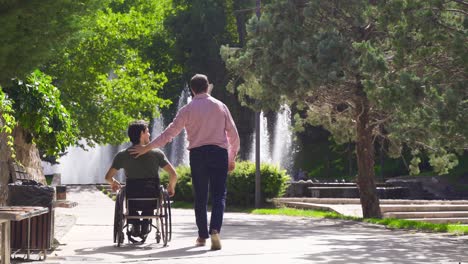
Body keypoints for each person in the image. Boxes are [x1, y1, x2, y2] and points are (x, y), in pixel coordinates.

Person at [129, 74, 240, 250]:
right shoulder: (221, 106)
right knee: (219, 195)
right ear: (207, 86)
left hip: (197, 155)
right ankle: (215, 230)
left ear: (192, 89)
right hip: (219, 153)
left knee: (201, 197)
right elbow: (233, 135)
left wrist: (147, 147)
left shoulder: (187, 109)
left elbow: (169, 134)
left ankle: (202, 236)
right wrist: (231, 157)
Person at [104, 120, 178, 240]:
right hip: (152, 197)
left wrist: (114, 183)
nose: (149, 134)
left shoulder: (122, 155)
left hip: (132, 199)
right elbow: (173, 174)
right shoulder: (156, 154)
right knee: (150, 201)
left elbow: (108, 177)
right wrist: (171, 187)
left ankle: (135, 223)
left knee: (130, 200)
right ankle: (145, 223)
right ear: (142, 133)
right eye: (147, 131)